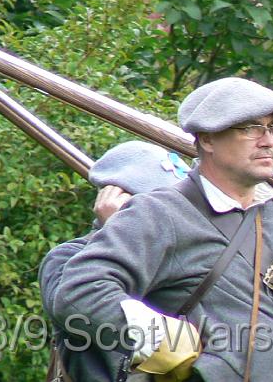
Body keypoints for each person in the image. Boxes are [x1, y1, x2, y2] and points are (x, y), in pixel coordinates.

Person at [49, 77, 273, 382]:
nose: (268, 141)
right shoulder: (159, 213)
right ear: (207, 139)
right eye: (249, 129)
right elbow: (80, 290)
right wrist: (160, 338)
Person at [39, 140, 191, 381]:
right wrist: (121, 233)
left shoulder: (185, 255)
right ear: (115, 200)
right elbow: (81, 312)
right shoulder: (66, 258)